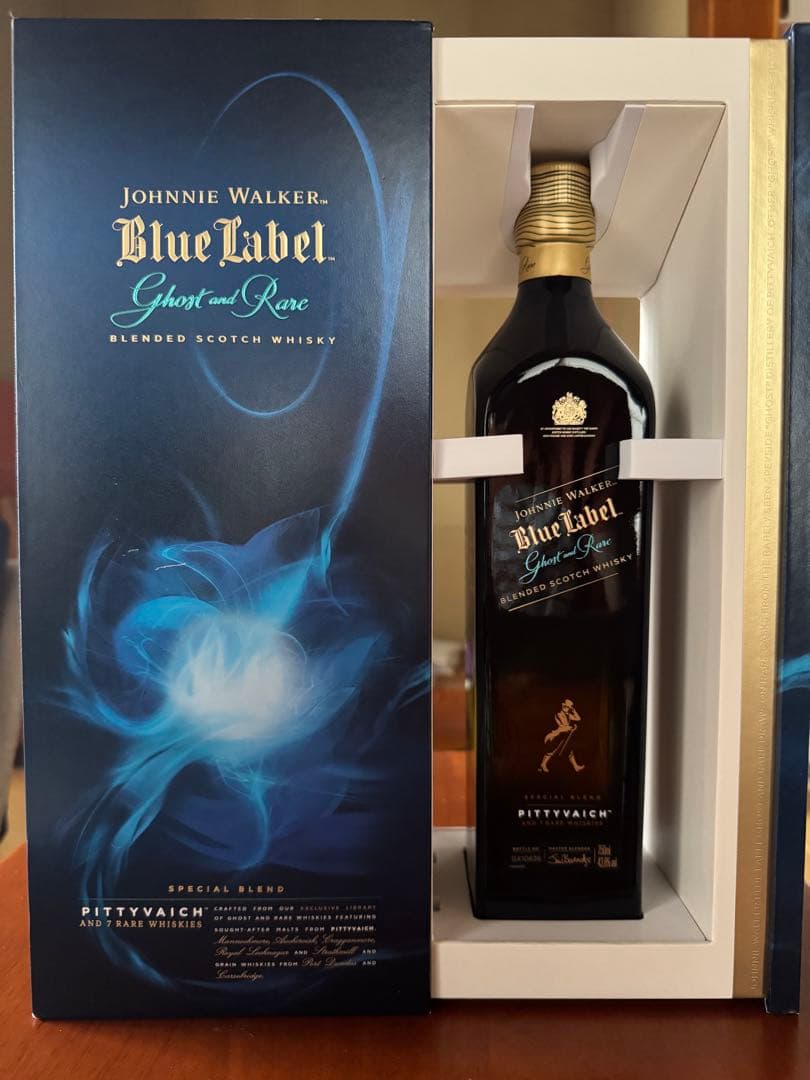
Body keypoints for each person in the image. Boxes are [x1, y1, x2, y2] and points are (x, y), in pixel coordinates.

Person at [539, 698, 585, 774]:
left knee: (569, 751)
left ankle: (576, 767)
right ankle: (543, 764)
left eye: (569, 708)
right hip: (556, 735)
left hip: (563, 735)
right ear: (563, 706)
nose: (567, 709)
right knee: (552, 749)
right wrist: (572, 728)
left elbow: (578, 719)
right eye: (566, 707)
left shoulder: (568, 715)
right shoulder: (559, 714)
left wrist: (574, 711)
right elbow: (564, 727)